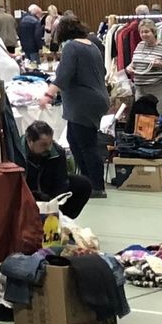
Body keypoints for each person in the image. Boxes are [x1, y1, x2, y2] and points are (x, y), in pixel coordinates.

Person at [40, 16, 109, 198]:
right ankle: (86, 181)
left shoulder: (72, 47)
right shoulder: (91, 44)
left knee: (86, 145)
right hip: (96, 98)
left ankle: (95, 185)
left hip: (82, 102)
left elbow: (64, 74)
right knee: (75, 139)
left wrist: (49, 94)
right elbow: (103, 71)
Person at [16, 121, 92, 218]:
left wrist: (52, 203)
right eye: (43, 144)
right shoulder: (15, 153)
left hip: (48, 191)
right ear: (30, 141)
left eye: (50, 143)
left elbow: (61, 183)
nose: (48, 148)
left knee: (83, 184)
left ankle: (63, 219)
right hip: (26, 193)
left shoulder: (57, 152)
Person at [128, 19, 162, 115]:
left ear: (154, 32)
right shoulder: (139, 45)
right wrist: (129, 68)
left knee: (158, 120)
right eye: (141, 32)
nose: (144, 34)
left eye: (147, 32)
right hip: (140, 90)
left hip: (159, 90)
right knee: (141, 120)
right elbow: (134, 62)